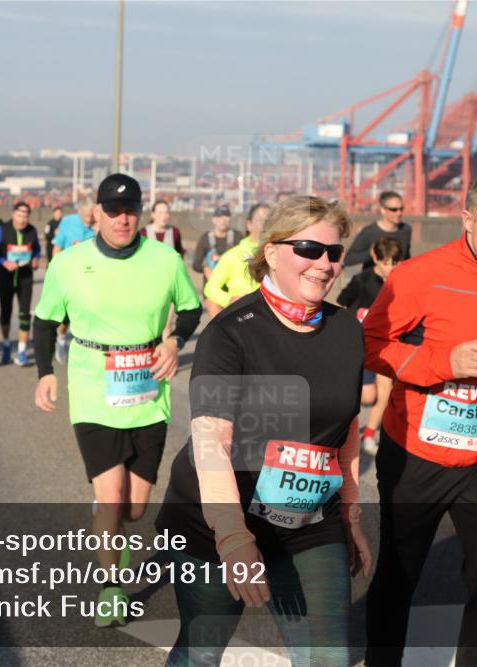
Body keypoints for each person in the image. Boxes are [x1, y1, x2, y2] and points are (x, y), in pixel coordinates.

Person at [156, 195, 371, 666]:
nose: (325, 264)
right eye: (310, 249)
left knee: (328, 659)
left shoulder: (347, 331)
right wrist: (233, 538)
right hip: (214, 526)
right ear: (272, 251)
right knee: (200, 653)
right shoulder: (231, 332)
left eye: (334, 253)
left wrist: (350, 517)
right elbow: (212, 443)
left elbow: (347, 431)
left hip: (308, 524)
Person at [361, 173, 477, 667]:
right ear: (467, 220)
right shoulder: (419, 274)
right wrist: (443, 361)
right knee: (399, 577)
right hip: (416, 454)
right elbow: (372, 345)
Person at [32, 174, 202, 628]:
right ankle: (111, 588)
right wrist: (46, 372)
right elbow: (45, 321)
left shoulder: (165, 260)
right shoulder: (69, 263)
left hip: (148, 390)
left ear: (141, 212)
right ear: (97, 213)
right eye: (112, 210)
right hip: (92, 389)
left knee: (135, 508)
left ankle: (114, 530)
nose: (122, 218)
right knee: (110, 498)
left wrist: (174, 342)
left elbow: (190, 308)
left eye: (130, 210)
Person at [337, 236, 403, 455]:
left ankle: (368, 437)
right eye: (386, 262)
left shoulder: (401, 284)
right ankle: (342, 428)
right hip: (359, 346)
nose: (390, 268)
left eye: (395, 263)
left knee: (386, 393)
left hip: (386, 347)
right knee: (368, 397)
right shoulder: (361, 280)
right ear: (376, 258)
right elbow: (340, 303)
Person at [0, 202, 42, 366]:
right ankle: (6, 345)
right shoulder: (2, 229)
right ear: (13, 215)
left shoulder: (32, 230)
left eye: (25, 216)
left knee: (25, 314)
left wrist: (36, 259)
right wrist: (2, 261)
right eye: (19, 215)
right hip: (6, 277)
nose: (22, 220)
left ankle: (22, 351)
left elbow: (37, 249)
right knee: (6, 313)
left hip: (25, 277)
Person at [202, 203, 269, 317]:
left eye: (270, 221)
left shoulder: (283, 254)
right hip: (241, 317)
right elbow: (210, 288)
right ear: (249, 224)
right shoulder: (232, 255)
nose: (266, 226)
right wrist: (230, 300)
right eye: (261, 221)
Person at [50, 197, 97, 362]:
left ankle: (88, 348)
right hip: (70, 276)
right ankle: (61, 340)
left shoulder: (99, 224)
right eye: (86, 217)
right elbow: (57, 247)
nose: (89, 220)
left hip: (92, 277)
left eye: (92, 216)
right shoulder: (68, 222)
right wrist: (55, 271)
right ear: (79, 212)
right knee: (67, 316)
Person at [343, 190, 412, 271]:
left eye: (401, 208)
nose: (399, 213)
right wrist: (371, 254)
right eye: (394, 209)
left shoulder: (406, 229)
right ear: (382, 210)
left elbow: (406, 257)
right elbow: (348, 260)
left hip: (398, 279)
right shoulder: (369, 232)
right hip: (374, 281)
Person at [192, 204, 240, 289]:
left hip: (233, 288)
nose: (223, 220)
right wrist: (205, 268)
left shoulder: (237, 237)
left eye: (226, 217)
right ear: (214, 219)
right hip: (211, 288)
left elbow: (246, 258)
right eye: (220, 217)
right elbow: (196, 264)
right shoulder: (205, 238)